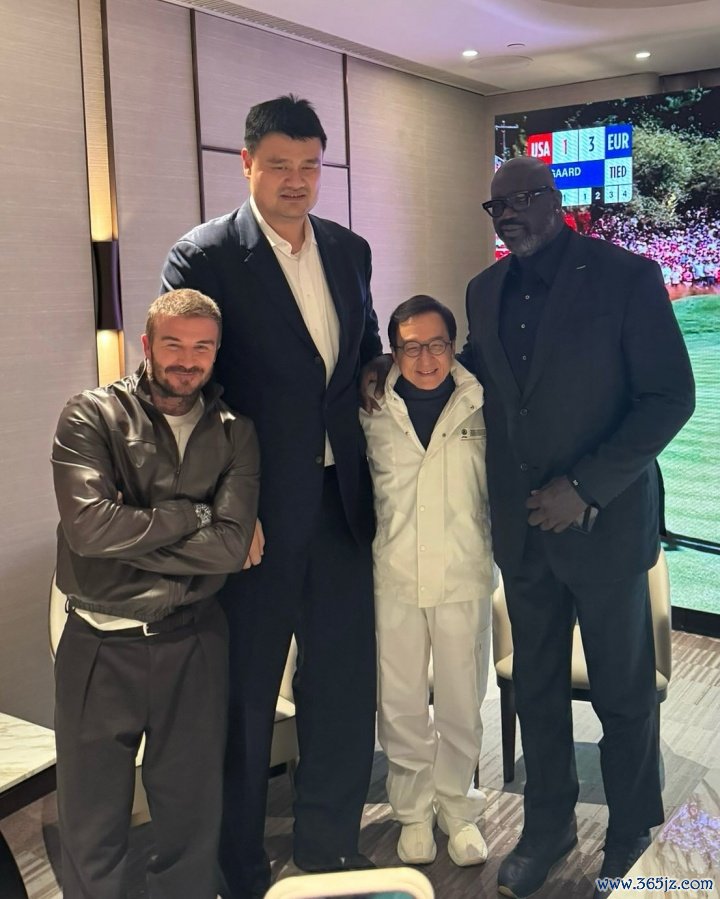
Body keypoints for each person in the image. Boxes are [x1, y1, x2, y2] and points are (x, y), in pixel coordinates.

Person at [161, 95, 383, 899]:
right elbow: (192, 394)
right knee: (246, 694)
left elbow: (361, 354)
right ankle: (240, 866)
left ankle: (329, 844)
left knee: (342, 683)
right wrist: (231, 508)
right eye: (280, 165)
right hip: (252, 516)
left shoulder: (350, 250)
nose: (297, 180)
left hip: (340, 505)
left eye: (310, 166)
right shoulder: (206, 256)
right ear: (247, 163)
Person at [464, 157, 695, 899]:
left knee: (623, 693)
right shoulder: (483, 290)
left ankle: (631, 830)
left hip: (605, 527)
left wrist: (587, 487)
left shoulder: (626, 278)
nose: (508, 214)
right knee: (535, 687)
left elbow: (670, 396)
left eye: (522, 199)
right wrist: (400, 367)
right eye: (497, 206)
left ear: (555, 201)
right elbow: (487, 381)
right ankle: (547, 825)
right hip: (524, 534)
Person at [51, 289, 260, 899]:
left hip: (193, 640)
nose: (186, 361)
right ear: (146, 345)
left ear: (217, 353)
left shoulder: (236, 432)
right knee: (91, 822)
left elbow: (231, 548)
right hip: (98, 643)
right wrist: (195, 516)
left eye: (202, 348)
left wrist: (131, 528)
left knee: (191, 817)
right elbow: (88, 530)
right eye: (173, 344)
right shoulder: (90, 416)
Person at [360, 295, 496, 869]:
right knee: (401, 704)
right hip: (394, 573)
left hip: (464, 570)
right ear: (393, 351)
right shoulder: (371, 406)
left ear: (453, 345)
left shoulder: (482, 399)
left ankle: (458, 810)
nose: (425, 359)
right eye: (411, 347)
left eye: (437, 344)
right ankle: (413, 813)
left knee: (463, 701)